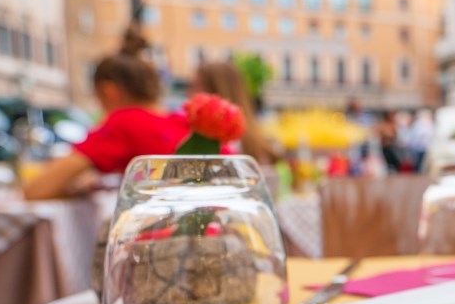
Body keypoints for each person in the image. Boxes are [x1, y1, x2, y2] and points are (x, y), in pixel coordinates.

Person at [24, 27, 185, 200]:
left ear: (108, 91)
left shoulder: (124, 122)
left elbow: (36, 190)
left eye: (97, 97)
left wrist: (72, 191)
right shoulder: (181, 120)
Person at [190, 62, 281, 165]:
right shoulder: (258, 144)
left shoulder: (235, 147)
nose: (189, 93)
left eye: (196, 86)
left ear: (216, 91)